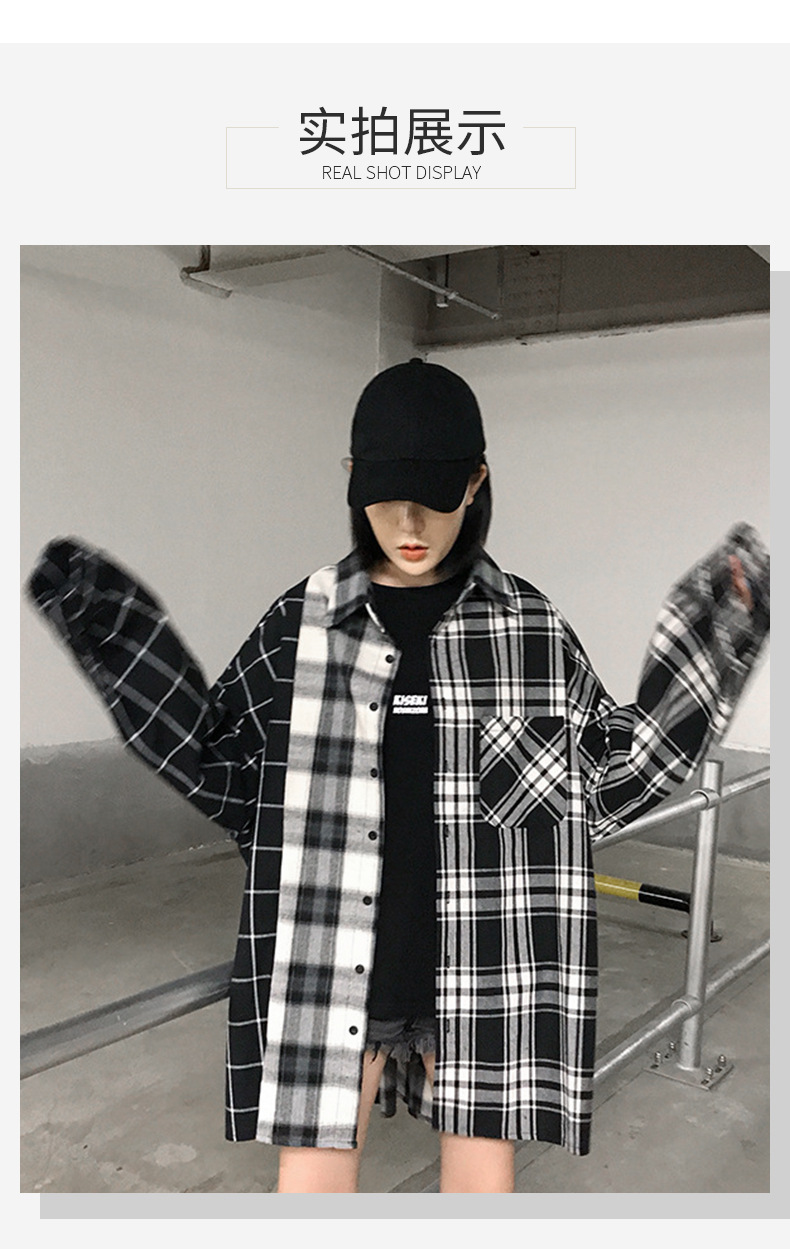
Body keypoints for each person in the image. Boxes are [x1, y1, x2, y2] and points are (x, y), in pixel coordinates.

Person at [26, 357, 769, 1194]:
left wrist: (718, 634)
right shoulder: (302, 624)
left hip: (489, 971)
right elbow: (221, 764)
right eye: (385, 497)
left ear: (477, 481)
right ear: (353, 479)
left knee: (481, 1190)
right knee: (312, 1188)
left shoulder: (528, 628)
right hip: (332, 963)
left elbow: (608, 779)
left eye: (435, 497)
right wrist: (110, 628)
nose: (409, 524)